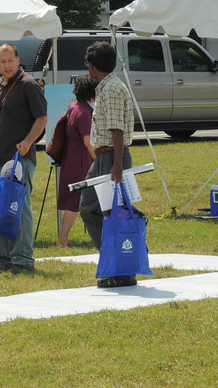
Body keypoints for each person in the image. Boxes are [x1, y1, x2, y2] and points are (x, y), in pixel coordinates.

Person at [79, 41, 137, 288]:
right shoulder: (107, 86)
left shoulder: (111, 89)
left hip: (113, 156)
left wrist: (116, 166)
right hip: (104, 156)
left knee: (114, 214)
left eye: (88, 65)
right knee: (89, 208)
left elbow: (117, 129)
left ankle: (122, 270)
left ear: (93, 65)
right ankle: (113, 260)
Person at [0, 43, 47, 274]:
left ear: (18, 61)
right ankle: (0, 258)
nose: (7, 65)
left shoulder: (29, 84)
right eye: (3, 61)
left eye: (11, 60)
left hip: (20, 157)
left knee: (18, 207)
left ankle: (22, 259)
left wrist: (28, 142)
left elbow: (41, 119)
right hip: (0, 156)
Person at [56, 76, 96, 247]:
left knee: (73, 200)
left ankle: (63, 239)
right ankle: (62, 239)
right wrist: (98, 159)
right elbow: (88, 142)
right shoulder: (84, 112)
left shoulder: (73, 106)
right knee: (75, 202)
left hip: (70, 155)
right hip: (80, 157)